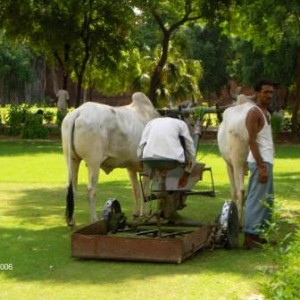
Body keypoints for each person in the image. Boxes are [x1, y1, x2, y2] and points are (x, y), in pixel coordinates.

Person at [243, 79, 276, 249]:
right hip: (260, 162)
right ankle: (249, 237)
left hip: (266, 160)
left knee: (265, 200)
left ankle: (258, 234)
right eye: (266, 92)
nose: (269, 95)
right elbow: (252, 141)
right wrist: (261, 165)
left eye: (271, 92)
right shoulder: (254, 113)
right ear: (257, 93)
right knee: (256, 199)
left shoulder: (265, 112)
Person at [138, 116, 196, 188]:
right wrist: (191, 164)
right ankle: (181, 178)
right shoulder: (181, 123)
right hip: (173, 161)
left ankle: (156, 175)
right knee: (186, 156)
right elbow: (189, 144)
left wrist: (140, 160)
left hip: (149, 159)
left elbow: (142, 143)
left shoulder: (151, 122)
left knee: (156, 162)